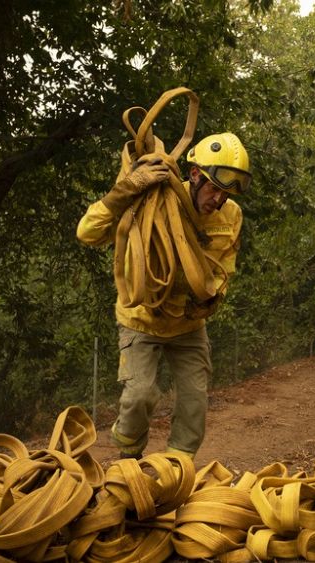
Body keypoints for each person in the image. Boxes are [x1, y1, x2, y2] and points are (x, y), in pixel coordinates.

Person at [76, 132, 251, 459]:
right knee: (140, 395)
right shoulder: (151, 199)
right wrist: (122, 193)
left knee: (195, 401)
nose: (219, 201)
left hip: (188, 325)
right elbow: (87, 234)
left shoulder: (232, 216)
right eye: (215, 189)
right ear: (195, 175)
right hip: (142, 319)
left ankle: (176, 469)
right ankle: (129, 458)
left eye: (226, 194)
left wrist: (212, 299)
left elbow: (225, 266)